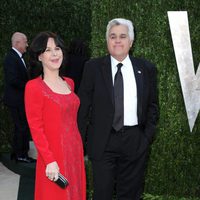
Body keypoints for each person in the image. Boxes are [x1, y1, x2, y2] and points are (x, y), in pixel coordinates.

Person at [78, 18, 159, 200]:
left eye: (122, 36)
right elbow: (83, 108)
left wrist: (146, 138)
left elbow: (152, 106)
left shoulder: (146, 69)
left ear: (131, 41)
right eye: (112, 36)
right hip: (102, 143)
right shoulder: (92, 68)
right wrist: (80, 143)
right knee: (102, 194)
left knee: (130, 195)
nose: (117, 41)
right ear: (107, 40)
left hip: (135, 141)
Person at [25, 31, 86, 200]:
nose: (54, 54)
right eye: (48, 50)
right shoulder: (34, 87)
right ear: (39, 57)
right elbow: (36, 128)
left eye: (57, 48)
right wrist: (49, 160)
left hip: (74, 150)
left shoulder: (69, 82)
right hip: (53, 154)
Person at [3, 32, 35, 163]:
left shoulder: (16, 57)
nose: (27, 45)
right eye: (25, 42)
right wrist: (29, 86)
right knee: (21, 126)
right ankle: (21, 155)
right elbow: (13, 80)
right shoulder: (11, 58)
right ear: (17, 43)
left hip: (18, 99)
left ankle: (17, 153)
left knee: (19, 127)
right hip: (16, 100)